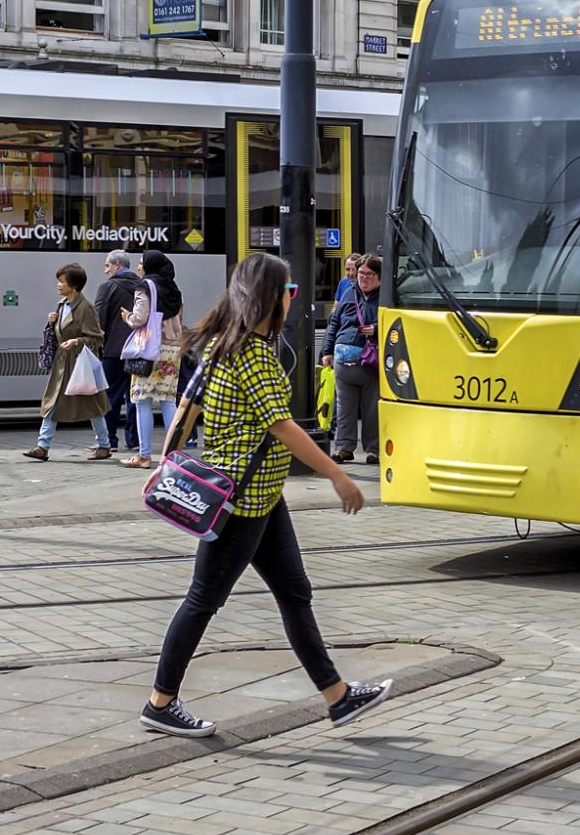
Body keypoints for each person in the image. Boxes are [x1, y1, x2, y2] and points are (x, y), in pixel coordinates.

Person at [139, 253, 391, 739]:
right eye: (287, 292)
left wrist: (166, 459)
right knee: (203, 599)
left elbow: (186, 406)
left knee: (295, 594)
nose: (291, 300)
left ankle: (336, 696)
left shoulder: (225, 344)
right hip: (239, 500)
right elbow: (282, 426)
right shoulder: (251, 354)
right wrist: (339, 476)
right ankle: (160, 702)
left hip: (262, 498)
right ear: (268, 298)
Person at [26, 263, 110, 461]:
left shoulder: (85, 308)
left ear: (73, 285)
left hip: (79, 364)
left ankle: (104, 445)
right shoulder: (62, 305)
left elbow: (97, 338)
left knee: (93, 405)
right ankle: (42, 446)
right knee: (52, 402)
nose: (58, 285)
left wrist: (76, 341)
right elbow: (59, 333)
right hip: (62, 364)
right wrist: (51, 322)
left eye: (62, 281)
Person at [120, 250, 185, 471]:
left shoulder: (145, 286)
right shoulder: (174, 289)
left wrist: (127, 317)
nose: (139, 267)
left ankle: (144, 455)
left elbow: (140, 318)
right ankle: (174, 455)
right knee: (168, 401)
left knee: (141, 401)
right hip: (172, 350)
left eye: (141, 263)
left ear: (149, 265)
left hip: (150, 348)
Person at [320, 254, 381, 464]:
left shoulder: (385, 297)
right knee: (344, 407)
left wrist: (376, 329)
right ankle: (343, 448)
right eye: (360, 273)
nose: (363, 278)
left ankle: (374, 449)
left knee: (371, 407)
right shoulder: (348, 293)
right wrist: (326, 351)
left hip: (370, 361)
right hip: (343, 360)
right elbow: (334, 323)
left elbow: (396, 324)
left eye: (369, 274)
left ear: (379, 276)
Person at [94, 250, 143, 454]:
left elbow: (99, 319)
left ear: (116, 265)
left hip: (114, 351)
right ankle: (134, 441)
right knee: (134, 397)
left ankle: (109, 440)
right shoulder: (142, 286)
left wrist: (99, 343)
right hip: (138, 349)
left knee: (110, 397)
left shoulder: (108, 287)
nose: (105, 271)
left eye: (107, 266)